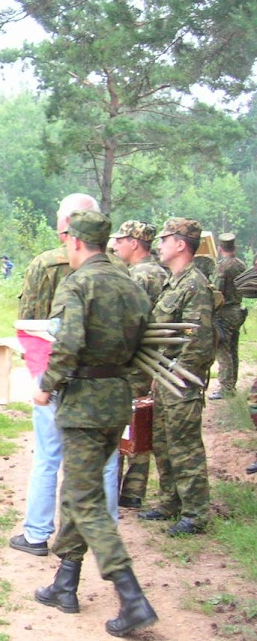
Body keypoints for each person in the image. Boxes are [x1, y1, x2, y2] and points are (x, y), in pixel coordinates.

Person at [32, 210, 158, 637]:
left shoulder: (79, 284)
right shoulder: (131, 284)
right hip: (116, 401)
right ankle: (64, 583)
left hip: (84, 405)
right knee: (79, 489)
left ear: (76, 243)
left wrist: (47, 384)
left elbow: (67, 345)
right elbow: (144, 346)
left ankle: (132, 596)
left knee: (85, 500)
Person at [10, 193, 121, 557]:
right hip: (103, 380)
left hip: (55, 374)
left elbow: (28, 323)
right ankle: (102, 532)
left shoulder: (45, 265)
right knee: (104, 458)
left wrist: (43, 376)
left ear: (68, 226)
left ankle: (37, 533)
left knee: (48, 456)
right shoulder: (118, 270)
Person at [140, 218, 215, 536]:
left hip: (181, 380)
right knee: (164, 442)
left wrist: (176, 376)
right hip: (166, 377)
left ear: (181, 244)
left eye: (164, 239)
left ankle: (195, 514)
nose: (159, 244)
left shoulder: (194, 285)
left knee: (184, 445)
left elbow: (198, 343)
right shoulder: (174, 281)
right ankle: (169, 502)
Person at [108, 220, 167, 509]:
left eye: (120, 240)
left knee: (122, 424)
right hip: (154, 362)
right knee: (143, 422)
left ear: (134, 242)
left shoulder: (137, 277)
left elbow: (128, 324)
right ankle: (134, 490)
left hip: (132, 363)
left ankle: (114, 489)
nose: (115, 246)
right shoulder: (163, 272)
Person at [211, 232, 246, 399]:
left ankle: (226, 387)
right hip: (238, 310)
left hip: (224, 312)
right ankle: (232, 384)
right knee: (233, 348)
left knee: (222, 349)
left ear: (219, 248)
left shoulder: (222, 267)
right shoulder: (241, 264)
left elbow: (217, 292)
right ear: (235, 247)